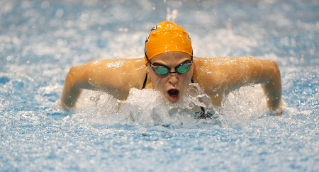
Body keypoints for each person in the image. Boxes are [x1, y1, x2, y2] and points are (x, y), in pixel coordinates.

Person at [60, 21, 283, 115]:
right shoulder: (123, 80)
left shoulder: (215, 77)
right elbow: (74, 76)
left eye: (184, 67)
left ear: (193, 62)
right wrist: (65, 109)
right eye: (162, 69)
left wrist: (274, 108)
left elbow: (270, 70)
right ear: (147, 66)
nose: (174, 79)